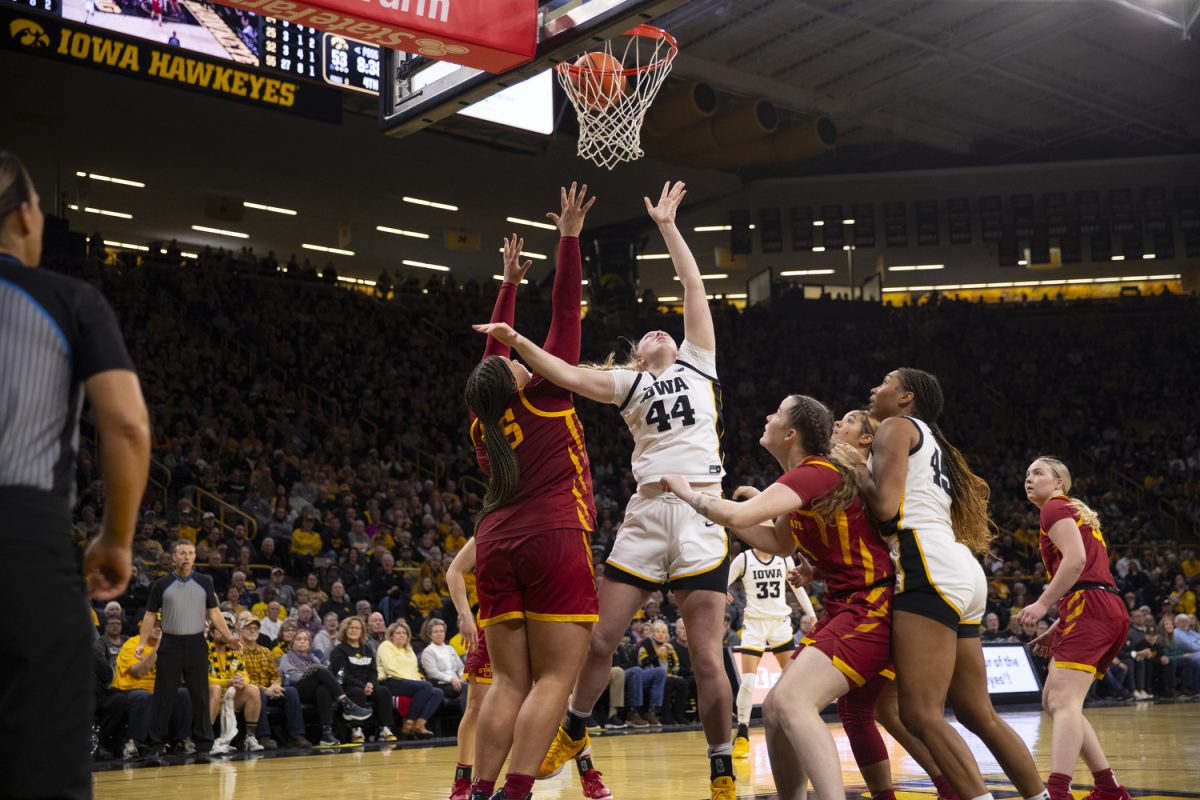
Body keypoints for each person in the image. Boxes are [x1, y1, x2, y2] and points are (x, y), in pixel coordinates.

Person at [479, 182, 735, 800]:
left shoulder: (701, 362)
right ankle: (575, 725)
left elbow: (692, 288)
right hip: (648, 514)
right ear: (638, 357)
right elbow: (565, 370)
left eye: (662, 330)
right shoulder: (624, 384)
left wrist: (669, 226)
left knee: (706, 655)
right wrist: (515, 343)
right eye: (647, 335)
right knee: (598, 638)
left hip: (702, 510)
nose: (658, 331)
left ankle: (721, 764)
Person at [661, 399, 952, 800]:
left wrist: (688, 493)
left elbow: (742, 518)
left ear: (790, 434)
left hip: (872, 605)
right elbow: (778, 544)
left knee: (796, 702)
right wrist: (739, 511)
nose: (767, 416)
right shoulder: (805, 479)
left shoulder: (816, 472)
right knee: (778, 710)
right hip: (845, 606)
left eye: (776, 412)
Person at [0, 152, 150, 799]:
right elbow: (125, 425)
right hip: (23, 546)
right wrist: (114, 539)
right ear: (28, 216)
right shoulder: (68, 300)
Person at [836, 369, 1046, 800]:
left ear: (906, 397)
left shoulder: (895, 427)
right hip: (958, 569)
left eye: (886, 382)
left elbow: (885, 508)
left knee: (918, 712)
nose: (875, 387)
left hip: (924, 565)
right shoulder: (931, 439)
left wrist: (856, 467)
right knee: (976, 712)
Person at [462, 185, 602, 800]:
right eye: (520, 361)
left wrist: (509, 287)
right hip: (552, 537)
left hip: (496, 543)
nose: (525, 360)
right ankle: (518, 792)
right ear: (518, 376)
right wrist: (568, 237)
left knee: (508, 684)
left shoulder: (481, 420)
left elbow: (490, 359)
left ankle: (479, 791)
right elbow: (566, 316)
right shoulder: (546, 394)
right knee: (554, 679)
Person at [1018, 457, 1133, 800]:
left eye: (1038, 472)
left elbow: (1076, 561)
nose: (1029, 478)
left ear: (1058, 482)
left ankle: (1058, 791)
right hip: (1100, 606)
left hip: (1090, 606)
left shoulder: (1053, 507)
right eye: (1026, 473)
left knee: (1063, 701)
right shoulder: (1070, 509)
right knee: (1054, 701)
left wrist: (1042, 604)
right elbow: (1088, 573)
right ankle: (1109, 788)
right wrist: (1059, 623)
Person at [140, 539, 239, 756]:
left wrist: (230, 637)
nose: (186, 556)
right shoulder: (161, 584)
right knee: (163, 696)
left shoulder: (205, 582)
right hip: (170, 644)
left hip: (196, 643)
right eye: (182, 553)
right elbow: (149, 615)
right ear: (174, 557)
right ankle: (155, 746)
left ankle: (204, 744)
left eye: (191, 553)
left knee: (201, 695)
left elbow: (214, 613)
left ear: (195, 557)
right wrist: (141, 643)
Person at [726, 545, 814, 757]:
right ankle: (743, 732)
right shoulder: (744, 559)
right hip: (754, 625)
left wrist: (811, 613)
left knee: (790, 681)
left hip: (780, 623)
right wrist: (722, 592)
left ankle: (793, 727)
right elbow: (721, 583)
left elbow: (797, 587)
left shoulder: (784, 558)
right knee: (747, 682)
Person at [111, 618, 194, 758]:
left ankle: (182, 740)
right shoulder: (132, 644)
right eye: (154, 625)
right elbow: (138, 672)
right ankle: (132, 743)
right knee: (145, 697)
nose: (158, 629)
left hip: (158, 690)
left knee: (183, 693)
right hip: (131, 690)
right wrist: (158, 650)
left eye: (161, 626)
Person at [279, 630, 372, 747]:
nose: (302, 642)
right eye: (298, 639)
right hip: (296, 690)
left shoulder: (314, 658)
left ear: (309, 644)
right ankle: (347, 704)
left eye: (305, 639)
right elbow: (291, 676)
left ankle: (326, 733)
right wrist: (311, 673)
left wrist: (314, 672)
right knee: (321, 671)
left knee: (323, 689)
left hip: (314, 692)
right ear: (292, 643)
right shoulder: (286, 657)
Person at [236, 614, 311, 748]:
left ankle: (296, 735)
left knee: (291, 692)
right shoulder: (236, 652)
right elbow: (243, 678)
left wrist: (275, 685)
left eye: (255, 628)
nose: (253, 631)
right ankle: (263, 737)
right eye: (249, 628)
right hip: (249, 692)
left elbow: (275, 674)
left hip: (270, 690)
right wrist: (266, 690)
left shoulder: (265, 651)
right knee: (257, 693)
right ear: (240, 631)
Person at [328, 616, 398, 742]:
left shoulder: (367, 649)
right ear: (345, 630)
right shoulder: (338, 651)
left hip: (366, 685)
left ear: (362, 631)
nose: (354, 630)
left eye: (357, 628)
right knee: (357, 692)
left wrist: (371, 683)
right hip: (347, 686)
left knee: (384, 691)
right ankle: (356, 730)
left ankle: (385, 729)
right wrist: (362, 686)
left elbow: (373, 671)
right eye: (351, 628)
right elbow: (341, 674)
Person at [207, 611, 264, 753]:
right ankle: (207, 739)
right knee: (215, 688)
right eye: (221, 629)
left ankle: (250, 737)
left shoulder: (235, 651)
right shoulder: (204, 648)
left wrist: (241, 682)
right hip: (208, 695)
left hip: (229, 696)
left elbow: (245, 675)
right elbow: (202, 679)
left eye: (229, 629)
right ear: (212, 633)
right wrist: (228, 682)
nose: (225, 632)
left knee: (252, 689)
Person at [376, 620, 442, 738]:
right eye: (398, 633)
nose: (402, 635)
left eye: (404, 633)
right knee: (425, 686)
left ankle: (420, 724)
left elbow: (414, 669)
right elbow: (391, 668)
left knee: (437, 692)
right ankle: (409, 722)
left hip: (407, 682)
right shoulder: (386, 646)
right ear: (391, 635)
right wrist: (415, 682)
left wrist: (418, 680)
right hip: (391, 681)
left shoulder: (408, 648)